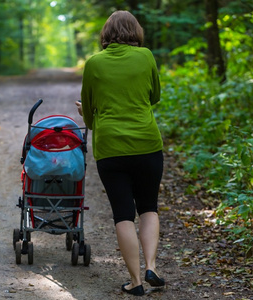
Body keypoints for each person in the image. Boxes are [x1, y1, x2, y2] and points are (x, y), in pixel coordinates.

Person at [76, 10, 165, 296]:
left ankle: (136, 281)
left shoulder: (93, 64)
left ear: (106, 35)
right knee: (149, 207)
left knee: (123, 214)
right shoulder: (147, 57)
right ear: (135, 32)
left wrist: (85, 112)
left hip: (111, 149)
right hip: (148, 144)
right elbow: (155, 97)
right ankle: (151, 265)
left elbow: (89, 119)